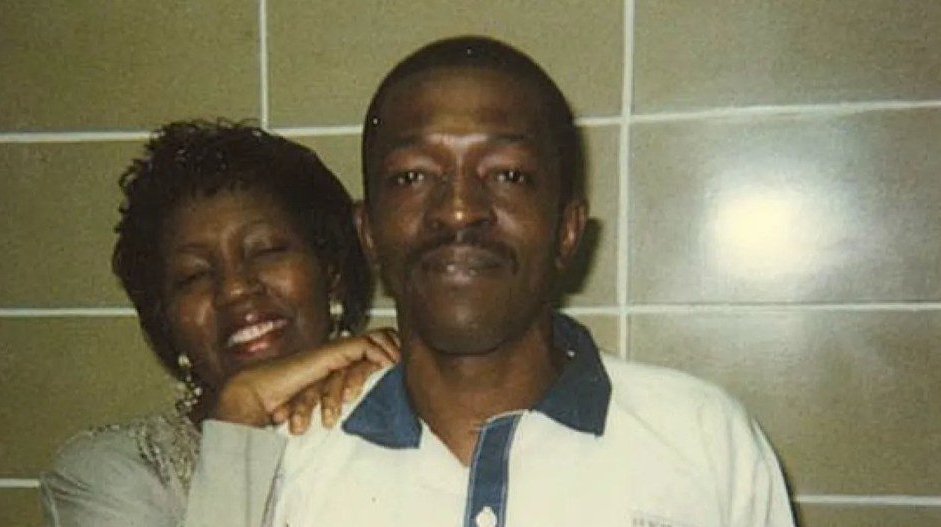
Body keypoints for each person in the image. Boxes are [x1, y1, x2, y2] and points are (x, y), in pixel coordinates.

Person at [192, 36, 796, 527]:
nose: (458, 210)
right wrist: (234, 426)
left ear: (567, 229)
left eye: (507, 174)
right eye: (411, 177)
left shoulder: (702, 440)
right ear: (368, 231)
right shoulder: (286, 457)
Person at [39, 120, 399, 526]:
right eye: (193, 275)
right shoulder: (108, 476)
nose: (234, 289)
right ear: (165, 318)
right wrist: (240, 412)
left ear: (329, 271)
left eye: (265, 250)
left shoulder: (404, 423)